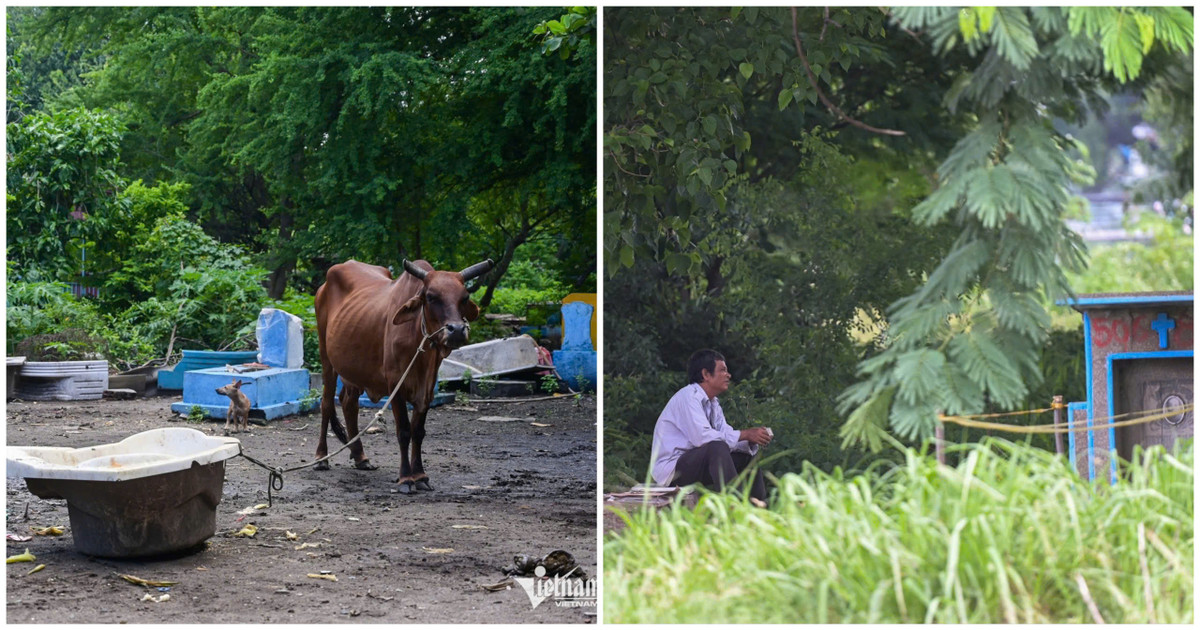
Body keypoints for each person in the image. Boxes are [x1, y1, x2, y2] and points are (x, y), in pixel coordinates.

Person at [650, 349, 772, 502]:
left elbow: (725, 434)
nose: (728, 375)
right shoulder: (688, 397)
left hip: (696, 462)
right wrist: (745, 434)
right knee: (717, 447)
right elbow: (703, 438)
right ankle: (733, 508)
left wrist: (749, 440)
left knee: (747, 456)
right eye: (722, 370)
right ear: (706, 374)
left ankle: (759, 510)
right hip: (672, 471)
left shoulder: (713, 403)